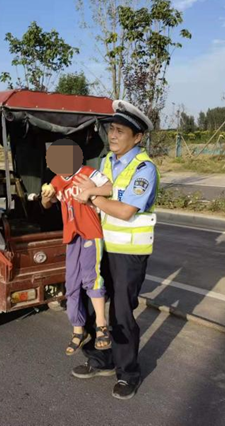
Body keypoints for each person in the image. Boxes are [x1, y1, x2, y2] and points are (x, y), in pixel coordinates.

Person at [71, 100, 159, 400]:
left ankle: (128, 373)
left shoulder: (144, 169)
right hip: (102, 247)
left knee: (121, 312)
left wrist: (91, 199)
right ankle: (101, 358)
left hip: (129, 253)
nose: (113, 135)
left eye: (121, 131)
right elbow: (98, 185)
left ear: (138, 137)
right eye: (111, 129)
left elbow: (124, 211)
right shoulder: (108, 160)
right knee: (96, 301)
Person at [41, 138, 113, 356]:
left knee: (91, 278)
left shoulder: (88, 173)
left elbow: (109, 187)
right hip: (71, 235)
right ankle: (77, 328)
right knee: (71, 283)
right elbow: (47, 205)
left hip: (91, 231)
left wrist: (91, 191)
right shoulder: (55, 180)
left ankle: (101, 326)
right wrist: (47, 198)